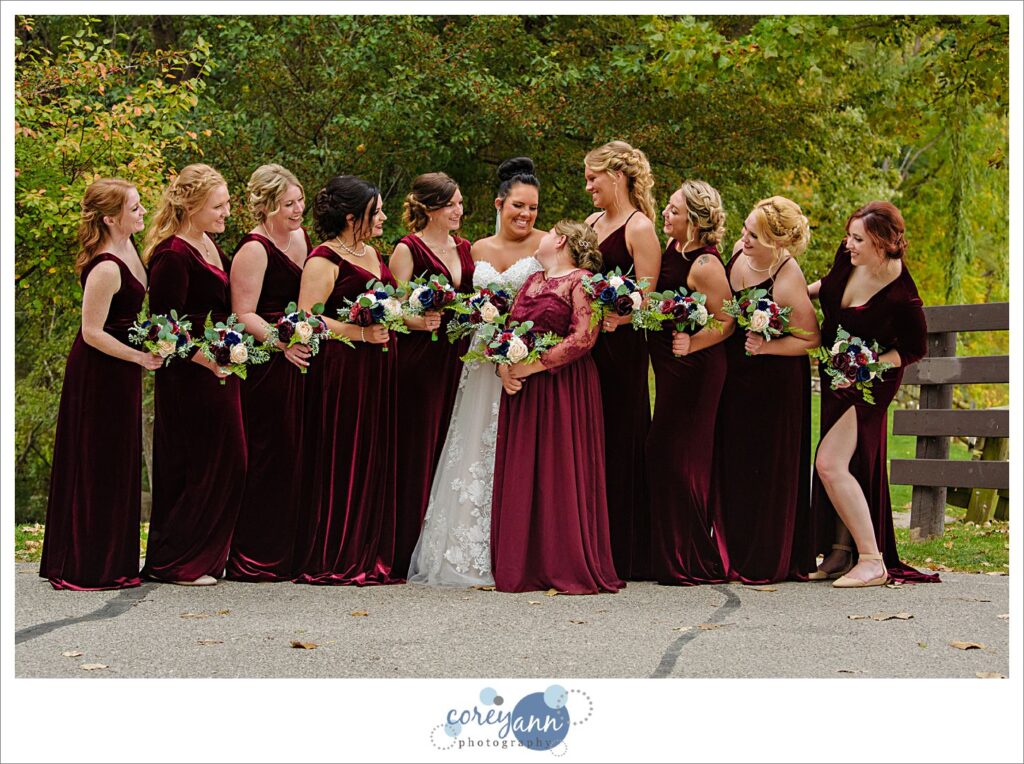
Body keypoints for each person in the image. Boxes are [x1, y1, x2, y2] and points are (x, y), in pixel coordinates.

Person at [408, 157, 544, 587]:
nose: (526, 215)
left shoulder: (547, 247)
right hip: (480, 357)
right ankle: (462, 550)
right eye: (518, 205)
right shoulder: (475, 250)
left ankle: (516, 548)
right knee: (471, 448)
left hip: (524, 358)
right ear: (499, 204)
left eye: (534, 208)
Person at [39, 179, 162, 590]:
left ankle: (116, 556)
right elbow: (92, 332)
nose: (143, 211)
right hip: (99, 372)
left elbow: (128, 319)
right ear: (110, 218)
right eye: (135, 207)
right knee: (97, 460)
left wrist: (154, 339)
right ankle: (89, 562)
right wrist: (140, 356)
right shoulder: (107, 265)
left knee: (118, 459)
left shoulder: (132, 251)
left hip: (123, 367)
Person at [808, 201, 939, 586]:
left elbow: (915, 349)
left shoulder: (903, 297)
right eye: (849, 236)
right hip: (835, 373)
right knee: (848, 464)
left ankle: (872, 560)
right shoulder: (846, 256)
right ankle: (839, 551)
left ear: (882, 244)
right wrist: (791, 292)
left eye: (858, 238)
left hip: (870, 383)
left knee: (830, 464)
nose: (848, 244)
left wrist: (870, 365)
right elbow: (827, 287)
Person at [492, 220, 623, 594]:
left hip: (564, 387)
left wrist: (532, 365)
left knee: (559, 468)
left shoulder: (581, 281)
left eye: (548, 231)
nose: (541, 237)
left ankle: (562, 559)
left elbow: (584, 338)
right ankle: (525, 561)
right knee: (525, 469)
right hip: (524, 390)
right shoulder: (533, 281)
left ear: (561, 239)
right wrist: (504, 366)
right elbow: (507, 329)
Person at [293, 175, 401, 585]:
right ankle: (338, 552)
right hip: (343, 369)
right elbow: (308, 317)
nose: (383, 217)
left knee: (373, 454)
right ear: (352, 216)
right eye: (376, 212)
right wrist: (360, 334)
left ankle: (369, 550)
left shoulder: (372, 252)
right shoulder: (324, 259)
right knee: (345, 455)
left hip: (378, 368)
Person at [142, 164, 245, 586]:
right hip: (189, 378)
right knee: (197, 464)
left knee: (228, 463)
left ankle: (202, 556)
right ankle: (177, 562)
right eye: (217, 206)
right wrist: (206, 357)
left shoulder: (208, 245)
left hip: (221, 368)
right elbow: (160, 329)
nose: (225, 213)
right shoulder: (172, 254)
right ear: (192, 205)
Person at [711, 196, 821, 584]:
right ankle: (731, 550)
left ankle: (766, 556)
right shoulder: (741, 253)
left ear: (777, 242)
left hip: (775, 387)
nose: (743, 238)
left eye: (753, 234)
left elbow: (810, 339)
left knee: (766, 469)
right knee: (735, 462)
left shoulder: (788, 280)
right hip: (737, 379)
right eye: (745, 229)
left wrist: (768, 346)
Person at [225, 165, 312, 582]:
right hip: (265, 364)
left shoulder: (301, 237)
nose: (298, 210)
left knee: (297, 453)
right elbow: (242, 314)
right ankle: (255, 556)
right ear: (267, 206)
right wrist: (281, 343)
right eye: (288, 204)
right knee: (268, 453)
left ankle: (292, 551)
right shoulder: (254, 250)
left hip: (302, 355)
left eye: (299, 201)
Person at [646, 180, 735, 585]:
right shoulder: (672, 249)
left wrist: (693, 341)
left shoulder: (706, 265)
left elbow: (727, 320)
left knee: (683, 461)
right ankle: (666, 552)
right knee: (663, 453)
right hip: (669, 370)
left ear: (695, 221)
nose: (665, 213)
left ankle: (691, 555)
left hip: (696, 373)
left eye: (674, 210)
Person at [389, 173, 475, 575]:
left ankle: (442, 542)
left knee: (453, 442)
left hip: (460, 354)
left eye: (460, 203)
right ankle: (405, 543)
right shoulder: (407, 250)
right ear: (431, 208)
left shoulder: (465, 247)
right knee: (421, 443)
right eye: (453, 204)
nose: (460, 210)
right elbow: (389, 309)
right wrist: (417, 321)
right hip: (421, 358)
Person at [584, 140, 662, 579]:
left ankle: (625, 548)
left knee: (620, 435)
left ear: (617, 176)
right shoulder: (592, 222)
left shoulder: (639, 228)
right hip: (587, 344)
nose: (589, 186)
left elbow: (649, 298)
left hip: (622, 349)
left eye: (594, 177)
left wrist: (623, 313)